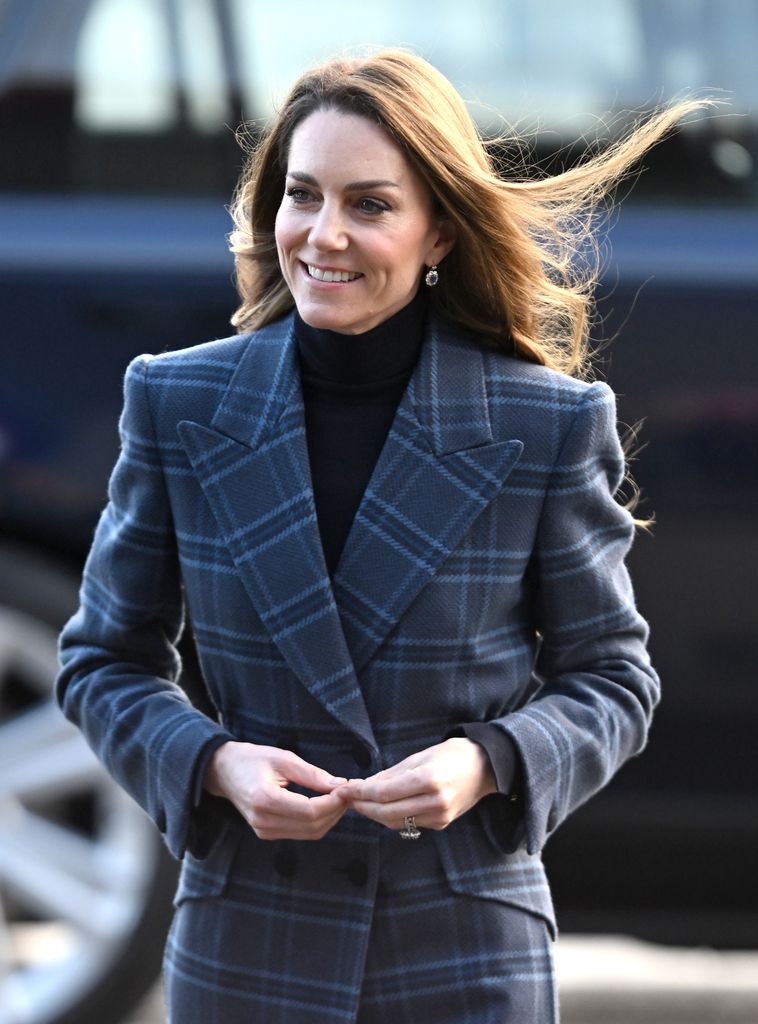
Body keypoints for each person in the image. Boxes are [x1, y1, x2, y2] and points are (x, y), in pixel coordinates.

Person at [57, 49, 699, 1023]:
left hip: (461, 943)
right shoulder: (177, 401)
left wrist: (486, 761)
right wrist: (213, 763)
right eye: (302, 195)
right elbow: (103, 659)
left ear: (439, 229)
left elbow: (612, 680)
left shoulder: (546, 423)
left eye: (369, 205)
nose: (324, 234)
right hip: (247, 941)